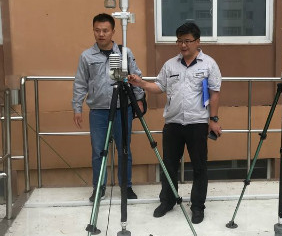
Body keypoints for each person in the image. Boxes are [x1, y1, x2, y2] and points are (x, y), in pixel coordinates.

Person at [128, 22, 222, 224]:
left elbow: (214, 93)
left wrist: (213, 120)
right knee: (169, 165)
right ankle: (168, 201)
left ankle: (197, 207)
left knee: (199, 167)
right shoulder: (170, 65)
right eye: (179, 41)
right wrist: (141, 83)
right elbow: (159, 86)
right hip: (173, 123)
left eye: (187, 41)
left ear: (197, 41)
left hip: (198, 122)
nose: (183, 45)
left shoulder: (209, 64)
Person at [72, 13, 145, 202]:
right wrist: (77, 107)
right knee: (99, 151)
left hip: (122, 109)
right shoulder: (87, 56)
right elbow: (80, 83)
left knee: (124, 149)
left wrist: (139, 99)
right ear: (93, 31)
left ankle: (126, 186)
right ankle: (99, 188)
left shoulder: (123, 53)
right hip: (98, 111)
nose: (101, 34)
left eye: (105, 30)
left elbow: (135, 76)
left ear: (113, 31)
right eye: (97, 30)